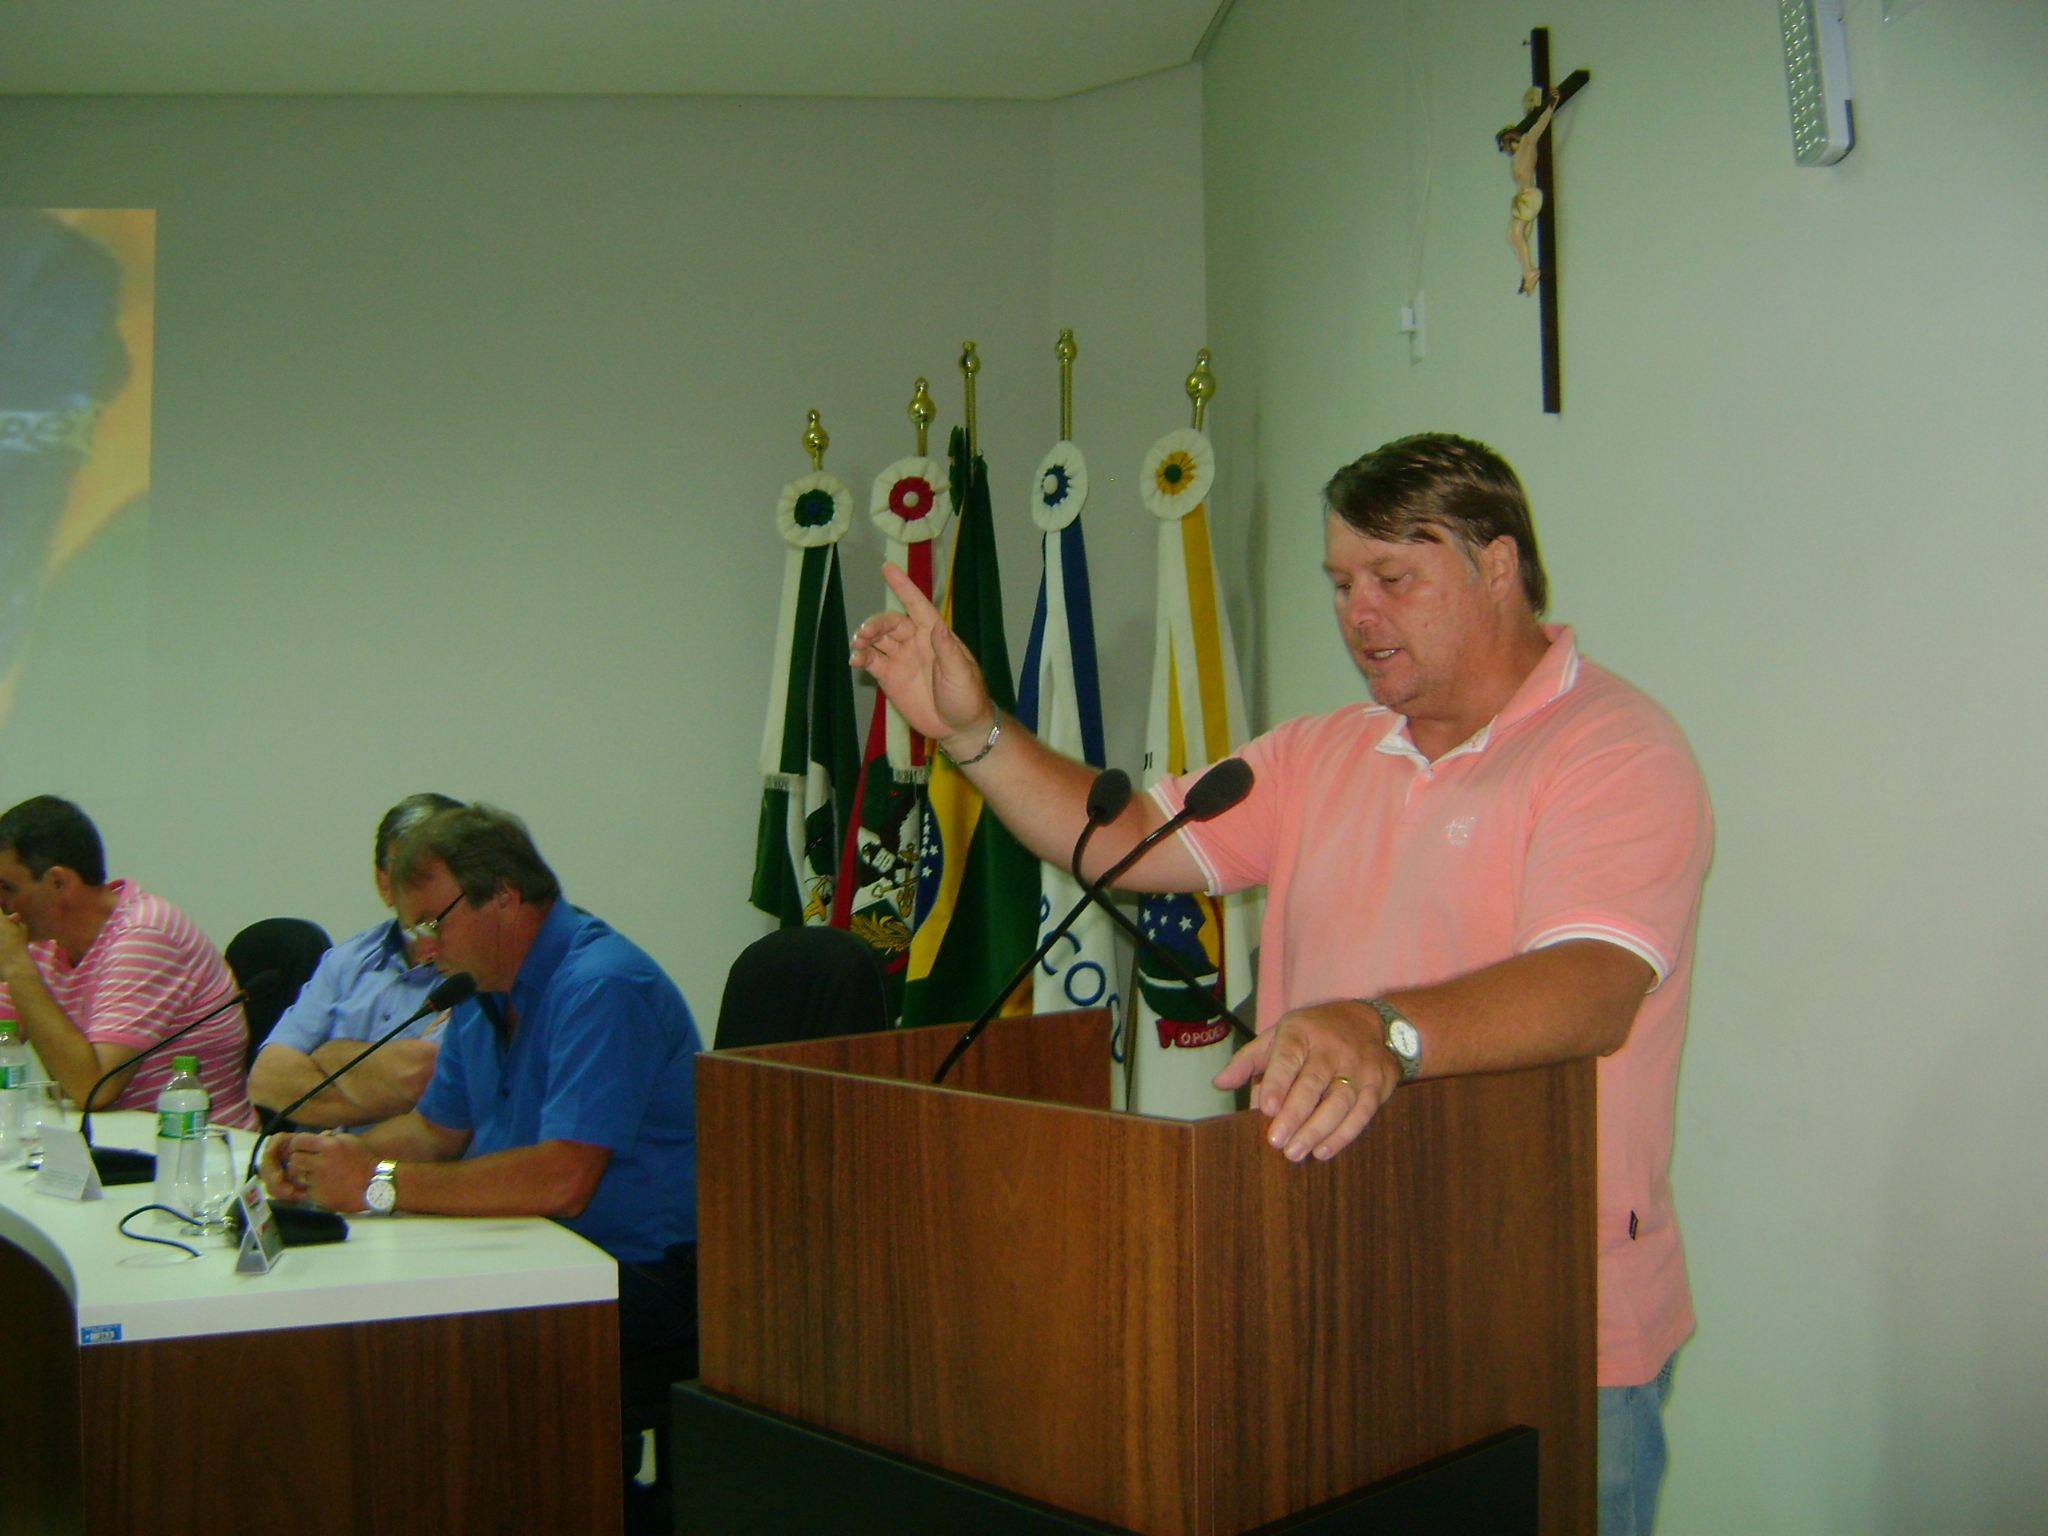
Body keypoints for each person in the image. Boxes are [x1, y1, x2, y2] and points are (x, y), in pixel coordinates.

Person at [850, 432, 1710, 1536]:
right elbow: (1123, 840)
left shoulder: (1610, 749)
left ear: (1496, 568)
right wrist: (971, 730)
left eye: (1392, 579)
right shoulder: (1320, 752)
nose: (1357, 613)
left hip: (1546, 1319)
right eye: (1341, 584)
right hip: (1333, 1294)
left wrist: (1377, 1028)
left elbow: (1591, 984)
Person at [257, 802, 701, 1532]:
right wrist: (328, 1161)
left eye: (434, 922)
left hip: (647, 1271)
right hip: (540, 1253)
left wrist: (373, 1186)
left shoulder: (601, 985)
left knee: (438, 1368)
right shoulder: (480, 991)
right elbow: (436, 1131)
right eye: (414, 929)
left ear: (504, 894)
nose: (424, 949)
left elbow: (563, 1179)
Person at [0, 794, 254, 1127]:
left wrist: (17, 968)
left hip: (191, 1151)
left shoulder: (145, 935)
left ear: (59, 882)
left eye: (6, 887)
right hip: (106, 1146)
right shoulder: (41, 939)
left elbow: (93, 1089)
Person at [246, 792, 461, 1126]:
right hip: (317, 1164)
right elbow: (266, 1078)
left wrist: (327, 1053)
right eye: (411, 871)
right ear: (384, 882)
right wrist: (382, 1082)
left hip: (419, 1170)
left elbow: (420, 1082)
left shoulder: (477, 970)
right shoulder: (347, 961)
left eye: (444, 871)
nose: (429, 887)